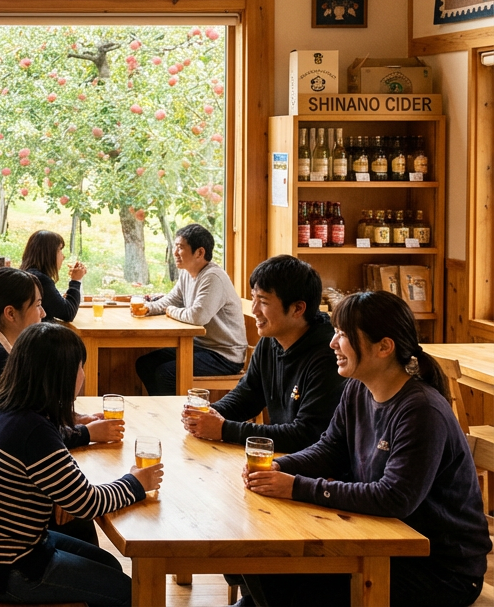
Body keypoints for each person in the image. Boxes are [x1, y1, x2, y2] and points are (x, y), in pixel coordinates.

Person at [242, 291, 490, 607]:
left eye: (343, 335)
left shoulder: (422, 411)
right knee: (263, 560)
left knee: (279, 573)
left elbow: (393, 497)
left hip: (439, 569)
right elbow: (330, 449)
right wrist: (282, 467)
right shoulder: (358, 388)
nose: (332, 343)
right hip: (378, 540)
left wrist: (296, 487)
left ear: (384, 347)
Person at [0, 323, 161, 607]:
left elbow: (49, 462)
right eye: (80, 367)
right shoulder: (33, 431)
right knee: (127, 590)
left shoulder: (4, 406)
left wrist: (62, 485)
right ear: (59, 376)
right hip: (4, 569)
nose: (83, 375)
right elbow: (86, 503)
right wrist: (136, 482)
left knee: (108, 564)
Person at [0, 268, 123, 537]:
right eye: (38, 305)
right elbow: (22, 434)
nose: (44, 314)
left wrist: (74, 418)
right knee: (74, 513)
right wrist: (85, 433)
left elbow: (23, 418)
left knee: (69, 501)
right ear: (10, 313)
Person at [182, 255, 344, 453]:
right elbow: (248, 394)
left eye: (263, 302)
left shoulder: (330, 354)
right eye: (253, 299)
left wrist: (224, 429)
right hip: (284, 458)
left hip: (315, 470)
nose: (254, 310)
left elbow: (307, 434)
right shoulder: (271, 339)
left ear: (298, 308)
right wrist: (209, 414)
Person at [134, 224, 249, 395]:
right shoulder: (188, 273)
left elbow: (197, 316)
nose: (175, 252)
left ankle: (174, 417)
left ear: (200, 252)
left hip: (224, 356)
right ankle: (162, 412)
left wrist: (171, 311)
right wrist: (148, 308)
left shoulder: (213, 277)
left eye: (180, 248)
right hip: (201, 348)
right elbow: (172, 299)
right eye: (175, 247)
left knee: (166, 373)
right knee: (145, 364)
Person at [19, 230, 86, 322]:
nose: (63, 256)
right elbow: (68, 313)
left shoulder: (27, 273)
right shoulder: (40, 280)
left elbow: (56, 306)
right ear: (49, 253)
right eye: (60, 250)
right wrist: (76, 281)